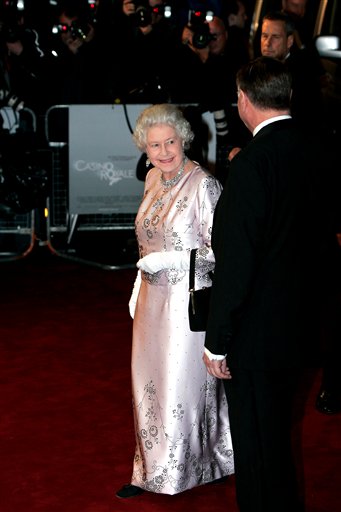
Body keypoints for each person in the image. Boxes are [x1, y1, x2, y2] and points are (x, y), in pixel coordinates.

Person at [203, 56, 321, 512]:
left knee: (257, 450)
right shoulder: (318, 150)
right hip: (302, 323)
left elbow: (237, 261)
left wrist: (217, 342)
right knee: (277, 440)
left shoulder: (253, 163)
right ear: (287, 97)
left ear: (245, 101)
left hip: (257, 335)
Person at [116, 103, 234, 499]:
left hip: (188, 302)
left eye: (170, 142)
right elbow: (146, 237)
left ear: (183, 139)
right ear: (144, 149)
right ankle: (150, 471)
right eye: (154, 146)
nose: (164, 152)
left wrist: (169, 260)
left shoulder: (204, 184)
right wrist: (139, 283)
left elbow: (222, 251)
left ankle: (192, 468)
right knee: (148, 386)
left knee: (180, 388)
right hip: (151, 300)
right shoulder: (152, 178)